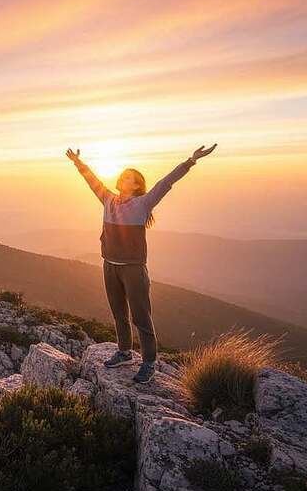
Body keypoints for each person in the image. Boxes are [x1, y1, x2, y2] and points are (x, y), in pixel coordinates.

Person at [66, 144, 217, 383]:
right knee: (118, 313)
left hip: (133, 268)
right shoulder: (108, 200)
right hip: (109, 265)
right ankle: (125, 352)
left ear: (136, 185)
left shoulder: (144, 203)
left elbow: (166, 182)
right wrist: (78, 162)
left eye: (128, 178)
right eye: (123, 175)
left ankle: (149, 362)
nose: (122, 178)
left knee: (141, 317)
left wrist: (191, 160)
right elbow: (90, 179)